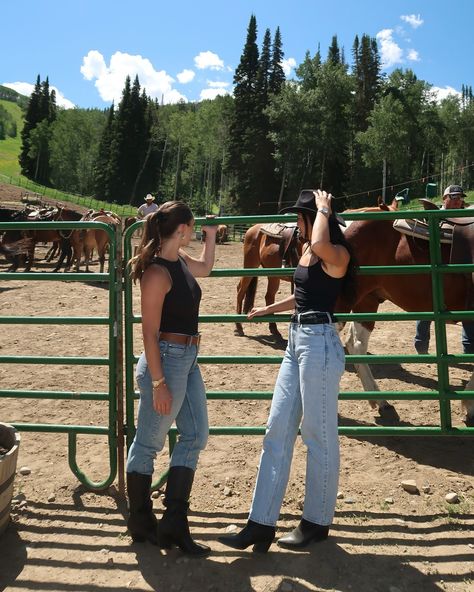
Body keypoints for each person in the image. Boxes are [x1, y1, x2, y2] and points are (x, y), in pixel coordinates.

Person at [219, 189, 357, 552]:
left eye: (301, 216)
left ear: (314, 219)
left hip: (320, 344)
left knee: (318, 435)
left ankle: (315, 522)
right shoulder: (311, 251)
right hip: (298, 340)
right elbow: (302, 294)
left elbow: (322, 243)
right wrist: (268, 310)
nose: (295, 222)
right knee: (276, 429)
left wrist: (326, 209)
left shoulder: (336, 253)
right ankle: (259, 523)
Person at [126, 200, 217, 556]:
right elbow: (148, 334)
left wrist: (210, 237)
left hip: (187, 358)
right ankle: (141, 520)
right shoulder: (156, 274)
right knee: (148, 443)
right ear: (180, 230)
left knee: (196, 434)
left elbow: (206, 268)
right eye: (193, 229)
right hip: (165, 361)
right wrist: (159, 383)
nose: (193, 233)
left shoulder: (179, 260)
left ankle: (174, 523)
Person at [414, 184, 474, 355]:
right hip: (434, 273)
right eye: (453, 198)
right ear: (444, 199)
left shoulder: (467, 217)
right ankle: (421, 345)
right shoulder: (434, 218)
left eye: (460, 198)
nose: (457, 201)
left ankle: (468, 349)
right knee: (428, 301)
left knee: (468, 299)